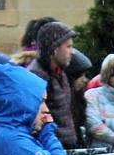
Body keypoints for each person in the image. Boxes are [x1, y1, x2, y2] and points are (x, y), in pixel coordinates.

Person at [29, 20, 78, 148]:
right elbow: (38, 120)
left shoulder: (60, 73)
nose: (72, 52)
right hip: (50, 148)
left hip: (64, 147)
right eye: (68, 46)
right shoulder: (37, 77)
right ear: (55, 49)